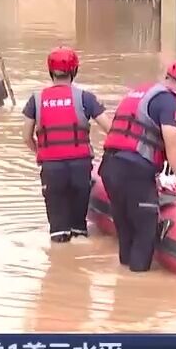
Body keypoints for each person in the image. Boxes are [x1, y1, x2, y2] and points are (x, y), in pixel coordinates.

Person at [98, 59, 176, 272]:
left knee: (126, 231)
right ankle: (139, 290)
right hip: (134, 172)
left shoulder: (140, 92)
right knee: (145, 233)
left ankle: (123, 290)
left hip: (110, 168)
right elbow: (173, 144)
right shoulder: (169, 101)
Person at [22, 47, 113, 243]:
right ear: (75, 70)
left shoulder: (35, 100)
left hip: (51, 168)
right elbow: (111, 130)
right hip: (80, 167)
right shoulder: (85, 98)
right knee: (79, 229)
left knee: (58, 233)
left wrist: (42, 151)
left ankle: (60, 264)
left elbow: (26, 136)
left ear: (50, 71)